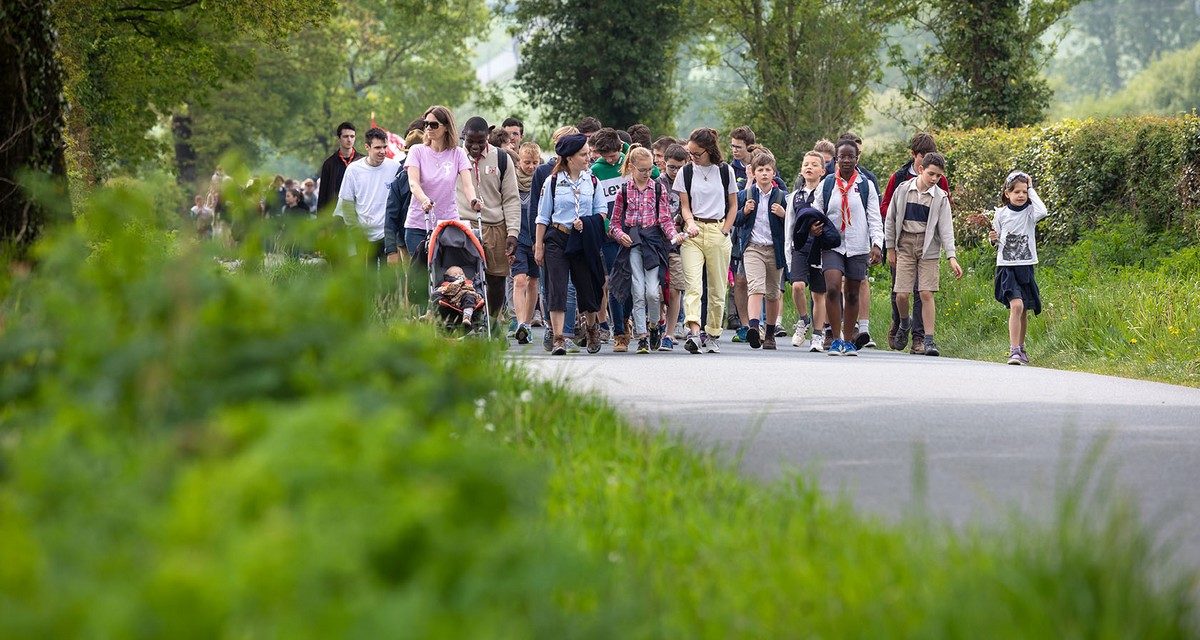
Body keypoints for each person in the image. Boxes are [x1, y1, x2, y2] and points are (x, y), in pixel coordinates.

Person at [534, 133, 608, 356]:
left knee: (588, 286)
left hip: (583, 238)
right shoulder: (553, 181)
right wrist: (539, 245)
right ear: (569, 158)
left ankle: (592, 328)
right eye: (583, 154)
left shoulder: (592, 181)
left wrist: (586, 223)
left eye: (588, 154)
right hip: (558, 236)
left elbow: (602, 211)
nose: (588, 158)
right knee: (557, 287)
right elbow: (543, 216)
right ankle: (558, 338)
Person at [884, 152, 962, 357]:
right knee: (901, 294)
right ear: (920, 170)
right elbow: (890, 220)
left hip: (928, 247)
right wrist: (890, 248)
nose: (935, 179)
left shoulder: (940, 198)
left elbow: (946, 228)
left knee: (926, 292)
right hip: (905, 245)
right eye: (931, 174)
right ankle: (904, 322)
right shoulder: (902, 190)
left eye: (938, 176)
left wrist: (951, 256)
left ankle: (928, 340)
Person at [610, 146, 685, 354]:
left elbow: (665, 220)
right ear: (632, 167)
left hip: (652, 243)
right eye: (642, 169)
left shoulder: (658, 189)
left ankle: (654, 326)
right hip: (632, 242)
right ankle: (642, 336)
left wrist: (673, 236)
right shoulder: (623, 191)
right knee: (637, 289)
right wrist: (620, 235)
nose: (647, 173)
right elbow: (614, 223)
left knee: (653, 291)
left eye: (650, 169)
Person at [814, 139, 883, 356]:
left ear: (857, 159)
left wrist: (877, 244)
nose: (845, 160)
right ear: (836, 159)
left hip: (858, 245)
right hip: (833, 244)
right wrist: (814, 228)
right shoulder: (826, 185)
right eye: (841, 156)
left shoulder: (865, 185)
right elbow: (816, 212)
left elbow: (874, 217)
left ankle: (849, 340)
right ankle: (835, 339)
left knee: (853, 293)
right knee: (833, 287)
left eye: (850, 156)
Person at [675, 127, 738, 354]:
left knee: (717, 288)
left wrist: (725, 230)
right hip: (693, 231)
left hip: (718, 229)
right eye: (690, 153)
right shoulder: (686, 172)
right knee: (693, 285)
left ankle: (712, 333)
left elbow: (733, 205)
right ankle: (693, 332)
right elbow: (684, 205)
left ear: (709, 150)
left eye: (697, 153)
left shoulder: (725, 171)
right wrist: (690, 222)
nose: (692, 157)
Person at [458, 116, 521, 331]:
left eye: (480, 141)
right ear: (463, 136)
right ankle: (469, 323)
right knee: (465, 280)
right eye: (470, 141)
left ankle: (493, 322)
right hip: (464, 226)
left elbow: (511, 198)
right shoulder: (455, 157)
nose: (475, 146)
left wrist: (512, 232)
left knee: (496, 279)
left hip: (495, 226)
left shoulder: (502, 159)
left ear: (488, 137)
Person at [529, 126, 582, 352]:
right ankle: (551, 327)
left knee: (568, 287)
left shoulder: (584, 173)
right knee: (549, 285)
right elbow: (537, 208)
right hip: (551, 235)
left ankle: (565, 331)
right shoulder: (544, 172)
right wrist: (536, 241)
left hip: (573, 236)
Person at [989, 171, 1049, 366]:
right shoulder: (1001, 214)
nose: (1021, 195)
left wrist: (1031, 187)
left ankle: (1021, 348)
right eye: (1017, 191)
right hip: (1007, 267)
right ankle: (1014, 350)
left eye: (1024, 191)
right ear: (1007, 193)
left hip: (1026, 266)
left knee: (1024, 310)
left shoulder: (1030, 212)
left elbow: (1043, 211)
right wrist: (993, 241)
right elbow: (997, 240)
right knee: (1017, 306)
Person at [405, 106, 480, 259]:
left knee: (448, 272)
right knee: (421, 278)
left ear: (446, 127)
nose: (428, 128)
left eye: (434, 124)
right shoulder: (417, 151)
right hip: (419, 223)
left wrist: (473, 200)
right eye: (426, 124)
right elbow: (413, 183)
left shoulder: (457, 153)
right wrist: (424, 200)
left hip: (448, 223)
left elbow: (467, 185)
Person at [734, 149, 788, 350]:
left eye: (768, 170)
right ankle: (754, 328)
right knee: (755, 287)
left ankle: (770, 333)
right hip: (753, 248)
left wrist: (784, 215)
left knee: (773, 293)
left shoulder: (782, 197)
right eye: (760, 170)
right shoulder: (745, 195)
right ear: (753, 173)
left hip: (775, 249)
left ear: (774, 173)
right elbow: (735, 221)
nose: (764, 173)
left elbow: (791, 226)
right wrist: (744, 211)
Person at [334, 127, 402, 264]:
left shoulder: (395, 167)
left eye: (384, 147)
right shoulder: (353, 170)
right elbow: (346, 204)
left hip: (387, 235)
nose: (382, 151)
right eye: (377, 148)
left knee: (388, 281)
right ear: (367, 147)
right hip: (364, 236)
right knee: (366, 280)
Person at [784, 150, 830, 350]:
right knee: (797, 286)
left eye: (813, 164)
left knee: (819, 294)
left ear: (822, 170)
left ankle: (818, 335)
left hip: (820, 249)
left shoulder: (827, 194)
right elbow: (790, 227)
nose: (809, 167)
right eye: (806, 164)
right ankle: (803, 320)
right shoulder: (794, 197)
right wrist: (789, 253)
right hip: (800, 247)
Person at [590, 128, 630, 349]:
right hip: (610, 234)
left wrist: (631, 152)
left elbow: (652, 173)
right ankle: (620, 332)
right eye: (605, 156)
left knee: (634, 282)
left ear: (619, 148)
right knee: (615, 282)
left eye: (613, 155)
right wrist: (609, 228)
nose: (610, 159)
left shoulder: (629, 162)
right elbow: (598, 206)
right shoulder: (596, 170)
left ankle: (626, 318)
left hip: (634, 231)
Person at [657, 143, 688, 351]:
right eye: (671, 167)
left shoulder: (688, 184)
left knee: (676, 287)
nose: (675, 171)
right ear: (664, 164)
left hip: (679, 243)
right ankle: (658, 323)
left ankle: (670, 332)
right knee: (658, 289)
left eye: (679, 167)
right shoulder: (656, 184)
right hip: (658, 242)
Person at [511, 141, 543, 344]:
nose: (531, 167)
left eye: (535, 162)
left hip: (535, 238)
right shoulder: (512, 180)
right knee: (519, 280)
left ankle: (529, 323)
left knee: (533, 281)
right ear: (519, 161)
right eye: (527, 162)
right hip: (517, 237)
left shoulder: (542, 180)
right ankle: (521, 323)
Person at [317, 122, 360, 214]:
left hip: (358, 212)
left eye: (352, 136)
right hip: (335, 214)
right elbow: (323, 195)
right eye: (346, 136)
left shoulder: (363, 161)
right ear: (339, 139)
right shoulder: (329, 164)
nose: (349, 140)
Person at [435, 266, 481, 330]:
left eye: (462, 274)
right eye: (455, 274)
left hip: (464, 299)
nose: (459, 275)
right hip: (449, 300)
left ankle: (467, 317)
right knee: (435, 294)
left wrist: (479, 293)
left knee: (470, 296)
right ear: (447, 277)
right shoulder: (446, 283)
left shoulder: (469, 282)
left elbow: (477, 289)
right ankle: (430, 313)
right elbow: (439, 290)